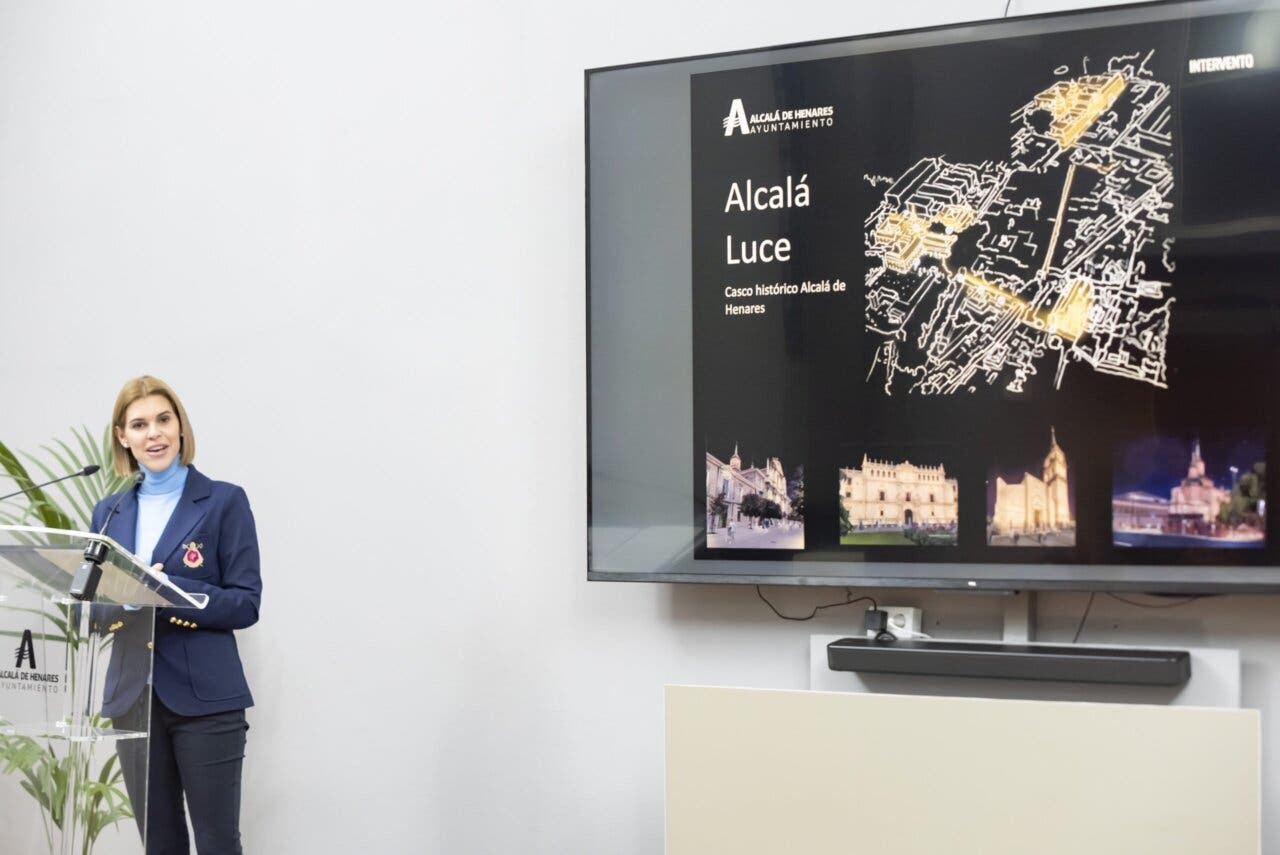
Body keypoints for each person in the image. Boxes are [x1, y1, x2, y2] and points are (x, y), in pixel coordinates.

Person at [91, 375, 261, 855]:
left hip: (205, 701)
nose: (154, 434)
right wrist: (124, 601)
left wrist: (170, 590)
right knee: (159, 845)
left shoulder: (224, 501)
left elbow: (247, 602)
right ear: (123, 437)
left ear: (181, 427)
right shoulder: (108, 512)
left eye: (164, 419)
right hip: (132, 699)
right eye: (139, 424)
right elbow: (93, 613)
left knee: (216, 843)